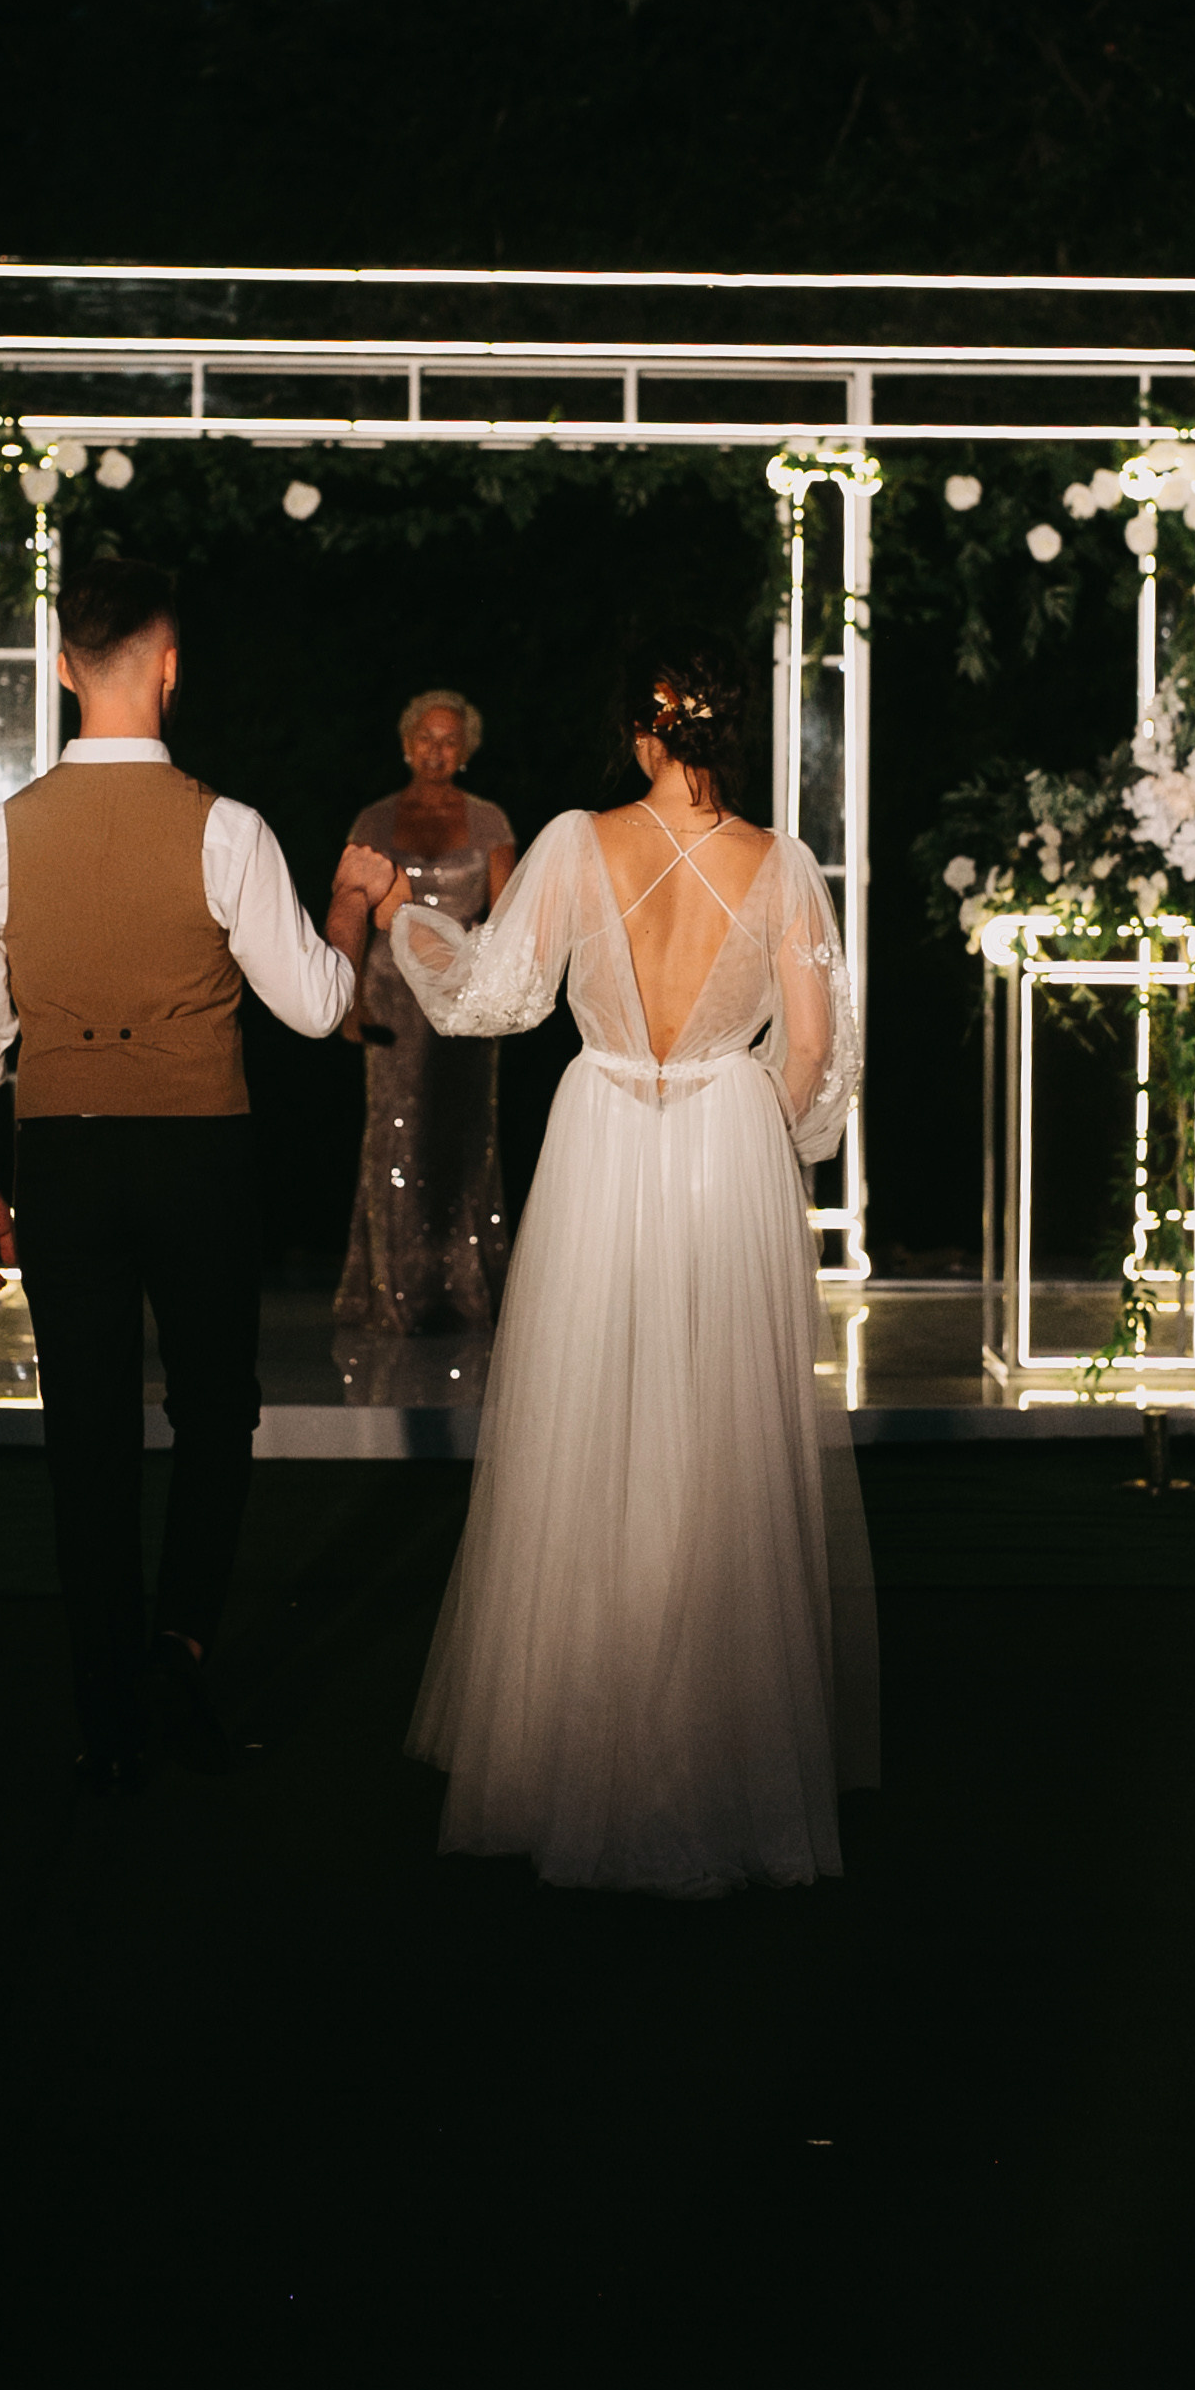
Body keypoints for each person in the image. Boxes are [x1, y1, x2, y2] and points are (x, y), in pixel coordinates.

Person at [372, 637, 876, 1897]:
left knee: (593, 1428)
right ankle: (721, 1754)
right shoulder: (786, 869)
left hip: (600, 1134)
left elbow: (490, 997)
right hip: (724, 1142)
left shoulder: (569, 842)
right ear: (723, 736)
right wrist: (767, 1130)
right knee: (715, 1440)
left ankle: (569, 1754)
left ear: (642, 737)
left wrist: (393, 909)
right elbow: (816, 1057)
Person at [0, 554, 399, 1791]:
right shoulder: (226, 828)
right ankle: (180, 1641)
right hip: (199, 1150)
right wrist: (351, 904)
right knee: (212, 1409)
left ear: (69, 668)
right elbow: (313, 1006)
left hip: (64, 1153)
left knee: (82, 1429)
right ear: (171, 664)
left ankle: (105, 1701)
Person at [334, 691, 517, 1347]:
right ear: (406, 742)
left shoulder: (490, 820)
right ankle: (397, 1291)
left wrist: (493, 994)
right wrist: (348, 999)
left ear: (465, 750)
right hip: (391, 994)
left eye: (449, 740)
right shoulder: (376, 819)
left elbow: (509, 921)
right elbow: (350, 908)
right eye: (426, 738)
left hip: (463, 1001)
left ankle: (461, 1289)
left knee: (463, 1132)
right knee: (396, 1136)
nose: (436, 750)